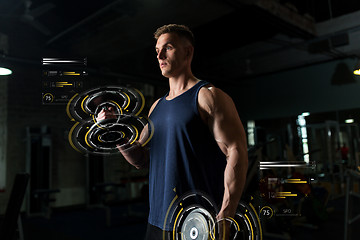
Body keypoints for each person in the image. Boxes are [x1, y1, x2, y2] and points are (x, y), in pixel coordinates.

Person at [97, 24, 248, 240]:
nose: (159, 55)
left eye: (167, 48)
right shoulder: (157, 106)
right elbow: (140, 158)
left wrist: (226, 214)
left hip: (198, 221)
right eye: (157, 49)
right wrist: (115, 130)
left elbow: (236, 152)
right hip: (157, 220)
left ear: (188, 52)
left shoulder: (208, 97)